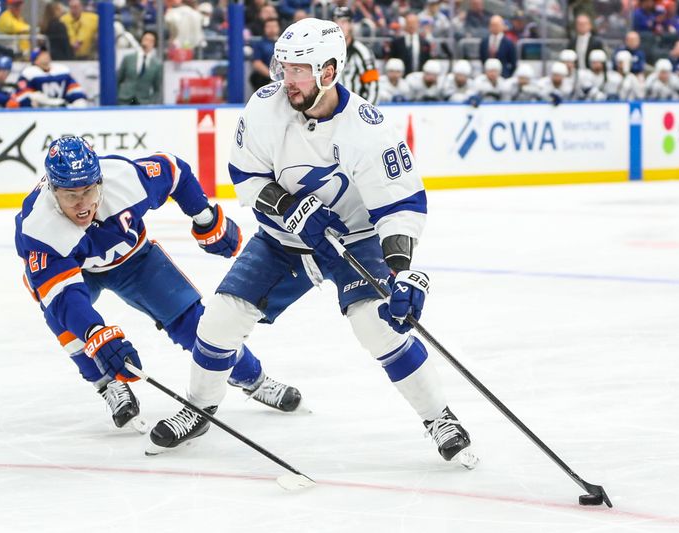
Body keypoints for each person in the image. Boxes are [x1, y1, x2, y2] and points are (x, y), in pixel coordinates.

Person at [153, 18, 476, 465]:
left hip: (354, 239)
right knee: (220, 320)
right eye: (284, 67)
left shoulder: (368, 129)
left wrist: (401, 273)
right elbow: (246, 175)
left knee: (377, 324)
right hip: (282, 239)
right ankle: (199, 407)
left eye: (300, 69)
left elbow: (399, 205)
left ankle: (439, 417)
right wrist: (287, 207)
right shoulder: (266, 107)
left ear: (329, 70)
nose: (289, 79)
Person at [14, 136, 302, 445]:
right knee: (60, 315)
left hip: (134, 260)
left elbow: (174, 171)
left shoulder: (124, 179)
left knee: (194, 323)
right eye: (71, 195)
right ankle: (107, 383)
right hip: (77, 272)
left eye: (89, 190)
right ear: (52, 191)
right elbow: (64, 298)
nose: (83, 203)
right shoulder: (38, 226)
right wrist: (96, 333)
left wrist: (205, 218)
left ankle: (253, 378)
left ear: (100, 181)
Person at [334, 7, 379, 104]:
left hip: (355, 109)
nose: (339, 26)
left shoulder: (363, 52)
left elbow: (373, 86)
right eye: (336, 22)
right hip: (331, 111)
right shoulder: (327, 51)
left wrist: (367, 111)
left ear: (351, 25)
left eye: (344, 22)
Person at [14, 48, 88, 108]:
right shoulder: (28, 73)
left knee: (81, 102)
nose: (46, 56)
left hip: (63, 106)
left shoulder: (62, 70)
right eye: (41, 55)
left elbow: (74, 90)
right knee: (35, 96)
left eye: (46, 53)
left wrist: (77, 99)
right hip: (41, 109)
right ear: (35, 61)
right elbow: (22, 95)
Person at [117, 31, 162, 105]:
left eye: (151, 40)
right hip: (124, 100)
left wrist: (151, 102)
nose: (147, 42)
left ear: (154, 44)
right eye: (146, 39)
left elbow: (157, 89)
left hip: (143, 101)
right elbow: (118, 79)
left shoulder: (156, 65)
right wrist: (118, 95)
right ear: (141, 40)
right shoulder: (128, 59)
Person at [249, 17, 280, 90]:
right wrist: (272, 77)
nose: (272, 29)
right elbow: (257, 63)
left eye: (274, 26)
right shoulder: (260, 44)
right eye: (269, 27)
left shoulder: (284, 44)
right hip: (265, 79)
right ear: (264, 29)